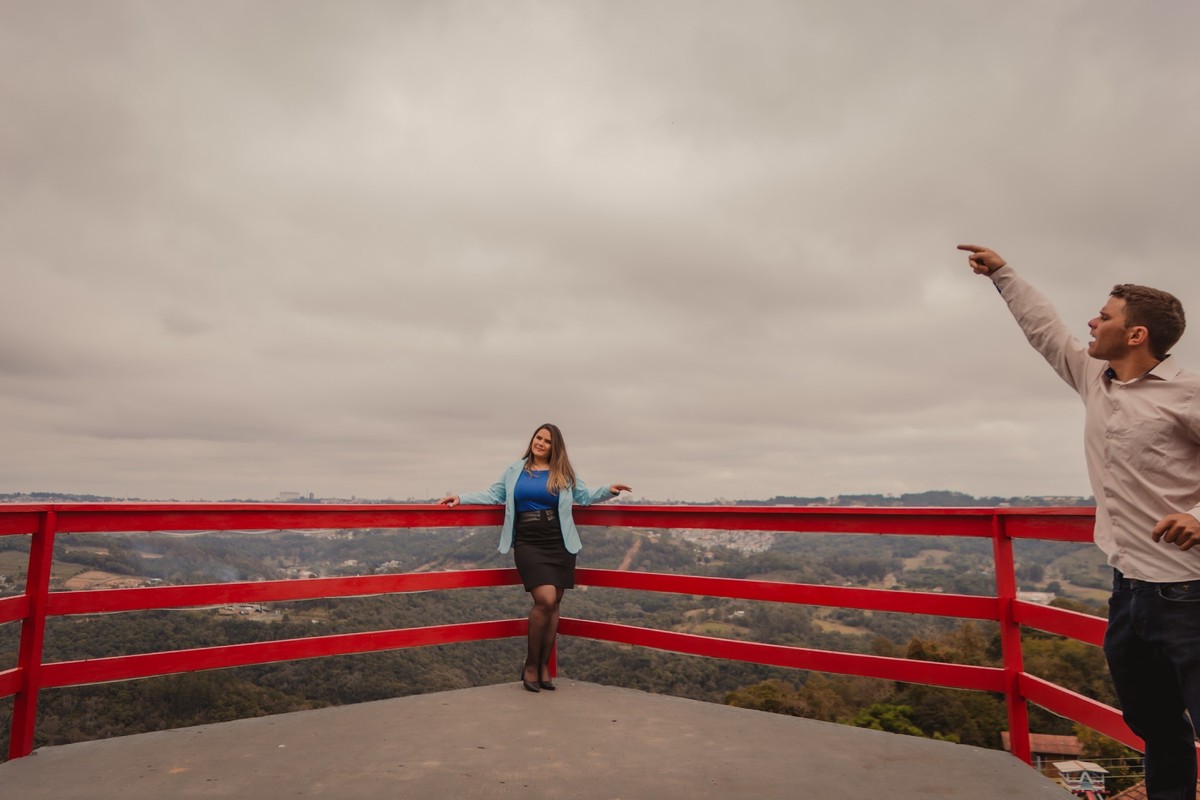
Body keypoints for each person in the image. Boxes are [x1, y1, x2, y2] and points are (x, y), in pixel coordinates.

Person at [959, 244, 1200, 800]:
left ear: (1136, 334)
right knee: (1155, 724)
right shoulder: (1095, 377)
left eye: (1104, 315)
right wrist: (1003, 274)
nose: (1092, 322)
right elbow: (1045, 329)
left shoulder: (1188, 393)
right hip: (1129, 591)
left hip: (1189, 593)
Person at [438, 423, 631, 693]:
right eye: (538, 438)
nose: (540, 443)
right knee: (546, 600)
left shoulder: (563, 472)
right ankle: (530, 664)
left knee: (555, 605)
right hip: (528, 540)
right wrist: (461, 497)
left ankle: (543, 667)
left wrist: (609, 490)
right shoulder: (515, 470)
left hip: (559, 540)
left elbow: (584, 496)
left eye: (547, 441)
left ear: (555, 447)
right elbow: (494, 494)